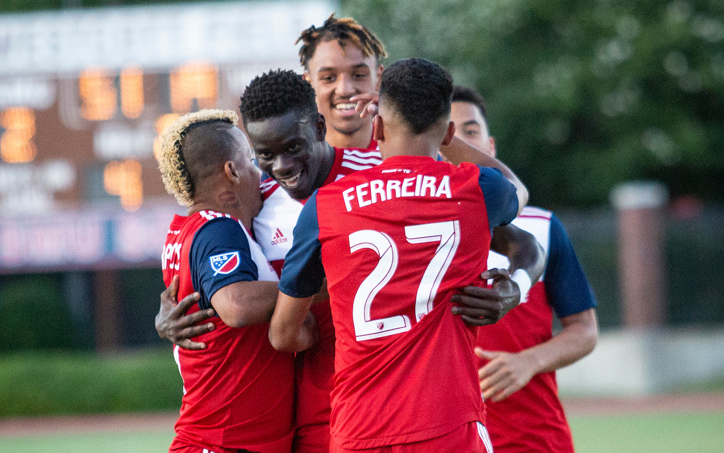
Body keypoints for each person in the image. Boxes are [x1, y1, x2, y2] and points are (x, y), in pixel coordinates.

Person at [269, 58, 525, 452]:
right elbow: (516, 189)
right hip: (447, 421)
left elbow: (282, 334)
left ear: (378, 126)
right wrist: (445, 139)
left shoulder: (325, 205)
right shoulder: (477, 190)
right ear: (449, 132)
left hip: (360, 428)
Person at [450, 85, 599, 453]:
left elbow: (584, 329)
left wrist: (530, 361)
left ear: (491, 146)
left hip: (533, 439)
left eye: (470, 132)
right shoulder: (403, 229)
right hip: (446, 437)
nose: (459, 145)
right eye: (447, 134)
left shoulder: (543, 228)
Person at [157, 109, 295, 453]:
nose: (259, 173)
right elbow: (236, 305)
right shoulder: (219, 227)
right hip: (222, 441)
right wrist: (316, 288)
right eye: (250, 161)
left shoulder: (185, 230)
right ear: (231, 172)